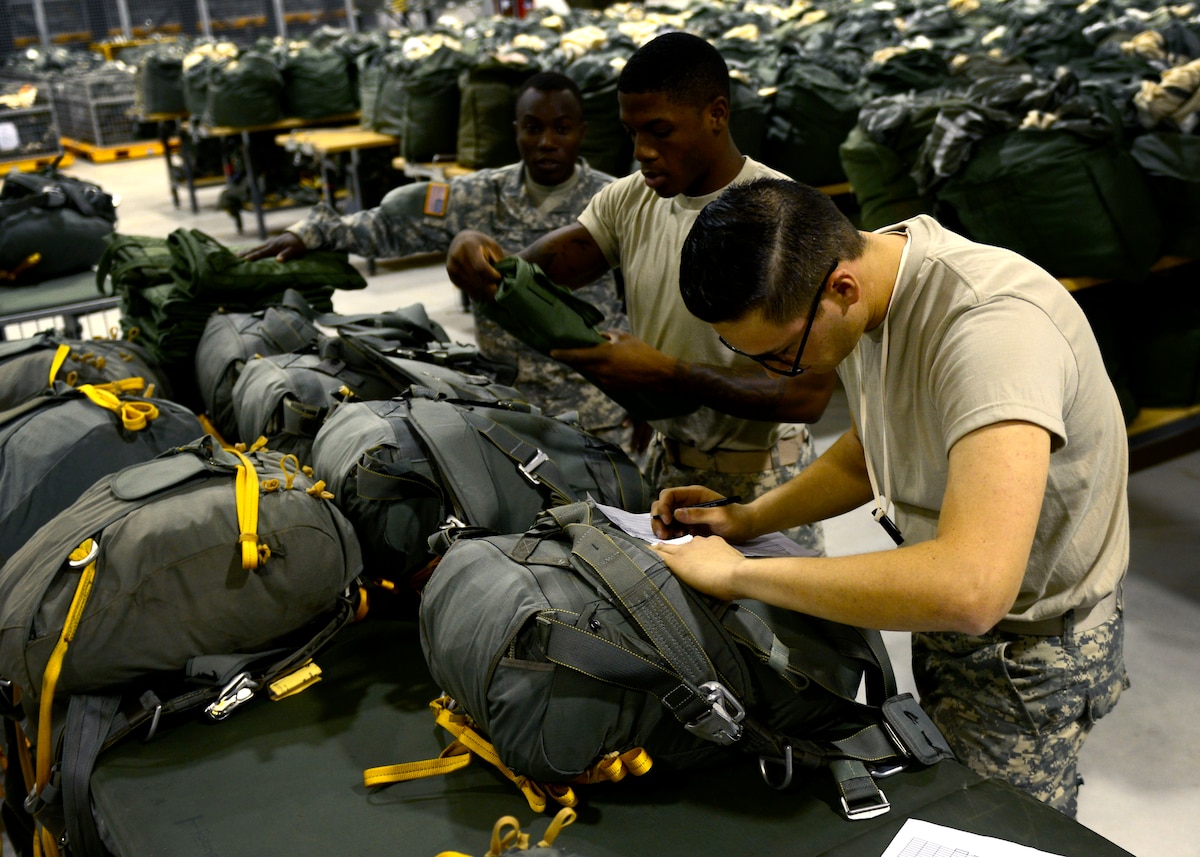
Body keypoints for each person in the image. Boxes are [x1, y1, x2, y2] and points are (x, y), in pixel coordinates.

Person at [649, 178, 1130, 816]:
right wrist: (747, 518)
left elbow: (970, 588)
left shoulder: (991, 333)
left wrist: (743, 575)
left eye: (780, 355)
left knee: (1001, 831)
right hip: (954, 625)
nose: (772, 373)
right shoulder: (871, 290)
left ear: (840, 290)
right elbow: (872, 446)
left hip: (1029, 651)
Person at [447, 32, 835, 552]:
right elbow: (522, 274)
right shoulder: (628, 201)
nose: (642, 152)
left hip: (762, 485)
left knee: (779, 631)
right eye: (632, 133)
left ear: (716, 114)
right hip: (669, 473)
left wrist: (668, 375)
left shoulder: (785, 217)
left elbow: (807, 395)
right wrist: (472, 250)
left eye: (660, 131)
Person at [239, 72, 630, 448]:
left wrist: (647, 406)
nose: (546, 141)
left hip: (598, 409)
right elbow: (388, 225)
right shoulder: (478, 196)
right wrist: (308, 232)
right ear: (515, 130)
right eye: (532, 128)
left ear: (582, 131)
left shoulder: (614, 203)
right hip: (508, 405)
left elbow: (649, 304)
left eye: (561, 129)